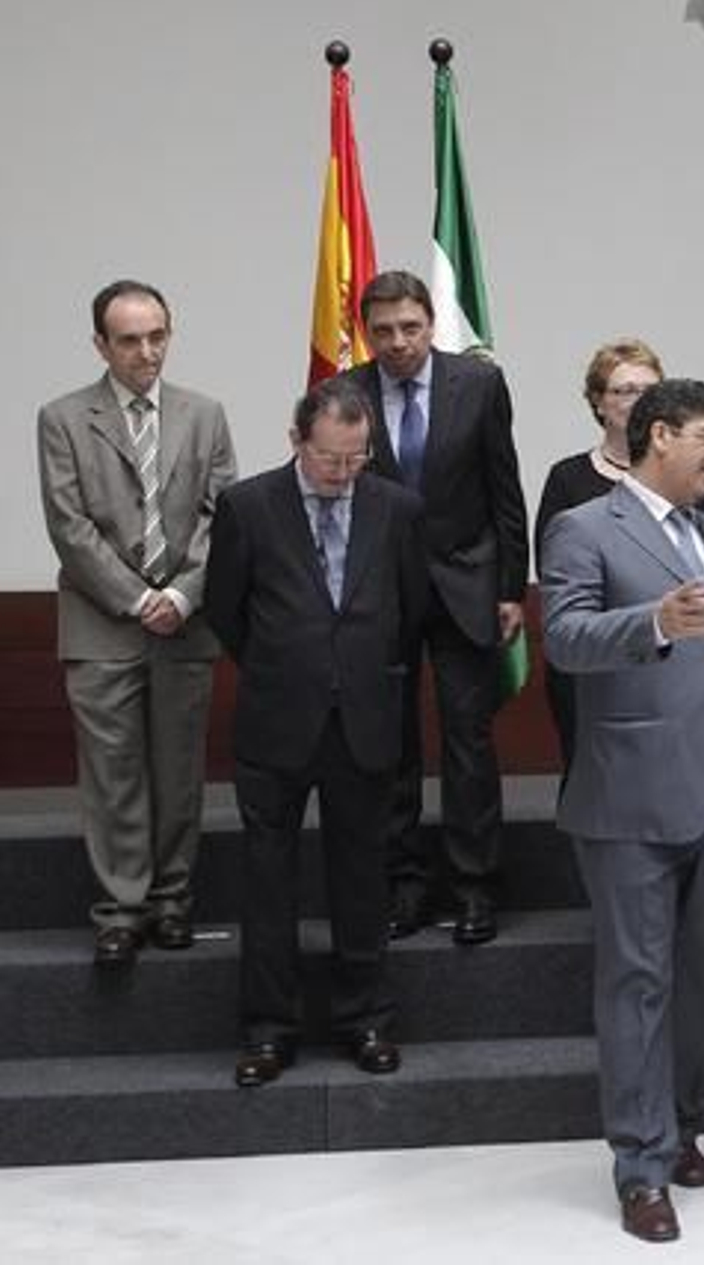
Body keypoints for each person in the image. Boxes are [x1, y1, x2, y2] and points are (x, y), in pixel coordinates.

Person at [540, 379, 704, 1245]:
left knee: (701, 979)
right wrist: (654, 622)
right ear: (663, 435)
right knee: (637, 981)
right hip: (627, 798)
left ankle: (677, 1125)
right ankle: (640, 1165)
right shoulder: (583, 527)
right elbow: (563, 639)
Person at [206, 379, 427, 1089]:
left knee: (362, 875)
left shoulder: (396, 507)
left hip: (364, 717)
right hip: (278, 716)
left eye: (356, 458)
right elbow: (225, 609)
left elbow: (410, 608)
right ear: (297, 439)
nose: (342, 472)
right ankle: (269, 1029)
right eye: (330, 458)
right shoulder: (248, 506)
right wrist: (291, 664)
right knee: (269, 880)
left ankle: (367, 1018)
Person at [37, 279, 236, 966]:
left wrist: (181, 594)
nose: (146, 351)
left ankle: (173, 900)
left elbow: (221, 516)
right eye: (129, 339)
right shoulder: (62, 418)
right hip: (101, 622)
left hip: (185, 620)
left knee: (177, 768)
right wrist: (134, 597)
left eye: (157, 335)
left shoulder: (204, 414)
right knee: (114, 771)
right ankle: (122, 908)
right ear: (101, 344)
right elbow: (70, 526)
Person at [342, 270, 530, 946]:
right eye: (384, 330)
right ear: (367, 331)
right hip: (379, 594)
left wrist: (512, 585)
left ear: (431, 323)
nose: (398, 342)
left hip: (467, 582)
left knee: (467, 741)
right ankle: (402, 886)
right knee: (388, 747)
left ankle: (475, 886)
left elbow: (504, 488)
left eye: (410, 327)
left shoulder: (478, 384)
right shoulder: (345, 393)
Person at [533, 338, 704, 767]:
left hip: (674, 659)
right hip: (595, 663)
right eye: (624, 390)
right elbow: (557, 578)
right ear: (598, 402)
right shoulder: (568, 479)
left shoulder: (689, 478)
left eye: (649, 391)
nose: (639, 402)